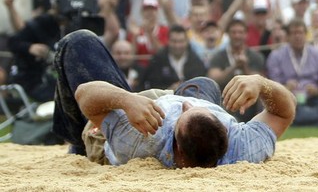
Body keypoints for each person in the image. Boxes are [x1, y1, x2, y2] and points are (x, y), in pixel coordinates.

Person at [52, 30, 295, 167]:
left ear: (176, 147)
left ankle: (77, 144)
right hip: (182, 121)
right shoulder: (242, 148)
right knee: (205, 84)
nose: (186, 104)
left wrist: (126, 100)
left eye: (183, 111)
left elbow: (85, 94)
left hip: (137, 116)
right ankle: (199, 111)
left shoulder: (140, 140)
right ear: (225, 130)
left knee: (76, 43)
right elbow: (285, 111)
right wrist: (261, 83)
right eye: (214, 113)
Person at [265, 18, 318, 126]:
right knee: (268, 106)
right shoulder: (276, 56)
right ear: (287, 37)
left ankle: (300, 120)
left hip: (315, 99)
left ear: (306, 35)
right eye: (294, 33)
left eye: (300, 32)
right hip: (289, 100)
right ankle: (317, 120)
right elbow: (272, 86)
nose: (297, 36)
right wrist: (285, 88)